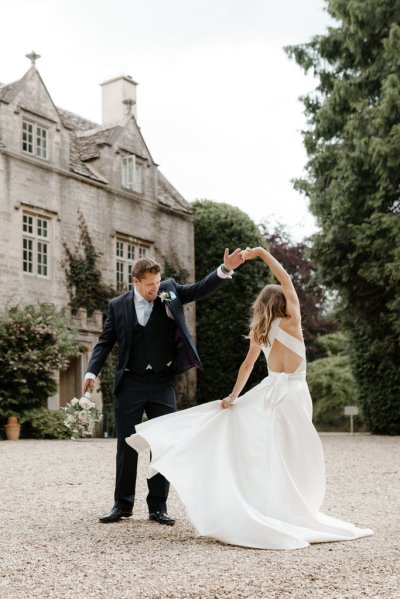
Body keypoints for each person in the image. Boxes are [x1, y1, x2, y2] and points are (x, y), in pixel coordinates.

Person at [126, 246, 373, 549]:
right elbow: (286, 280)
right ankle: (291, 508)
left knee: (266, 451)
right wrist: (264, 255)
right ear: (282, 301)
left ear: (262, 304)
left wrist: (233, 396)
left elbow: (247, 366)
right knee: (294, 452)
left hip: (269, 393)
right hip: (293, 393)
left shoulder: (262, 331)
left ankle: (266, 505)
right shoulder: (293, 321)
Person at [83, 249, 244, 525]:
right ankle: (122, 505)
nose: (155, 289)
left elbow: (198, 289)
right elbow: (105, 342)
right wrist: (90, 371)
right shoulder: (117, 306)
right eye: (149, 285)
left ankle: (158, 506)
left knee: (164, 445)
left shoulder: (169, 291)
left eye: (157, 283)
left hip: (161, 382)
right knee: (126, 446)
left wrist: (224, 269)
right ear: (135, 281)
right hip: (130, 382)